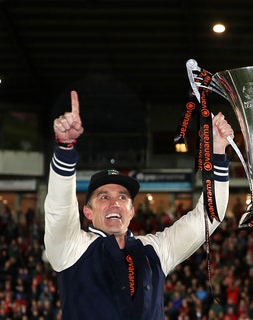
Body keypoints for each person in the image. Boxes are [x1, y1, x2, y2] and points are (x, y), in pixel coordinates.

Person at [44, 90, 234, 319]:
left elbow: (209, 216)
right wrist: (65, 148)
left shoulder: (154, 250)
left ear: (132, 211)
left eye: (123, 197)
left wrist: (218, 152)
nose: (115, 203)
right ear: (87, 211)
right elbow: (59, 209)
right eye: (104, 197)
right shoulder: (71, 249)